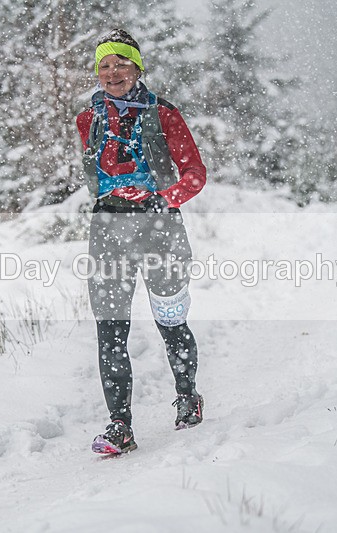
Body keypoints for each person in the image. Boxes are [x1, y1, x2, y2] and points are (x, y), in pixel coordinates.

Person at [76, 29, 206, 454]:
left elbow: (194, 175)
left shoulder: (165, 114)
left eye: (121, 63)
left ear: (137, 67)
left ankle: (187, 397)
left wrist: (159, 198)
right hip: (108, 230)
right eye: (105, 65)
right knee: (109, 327)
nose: (113, 72)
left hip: (159, 228)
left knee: (170, 319)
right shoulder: (87, 119)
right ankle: (120, 426)